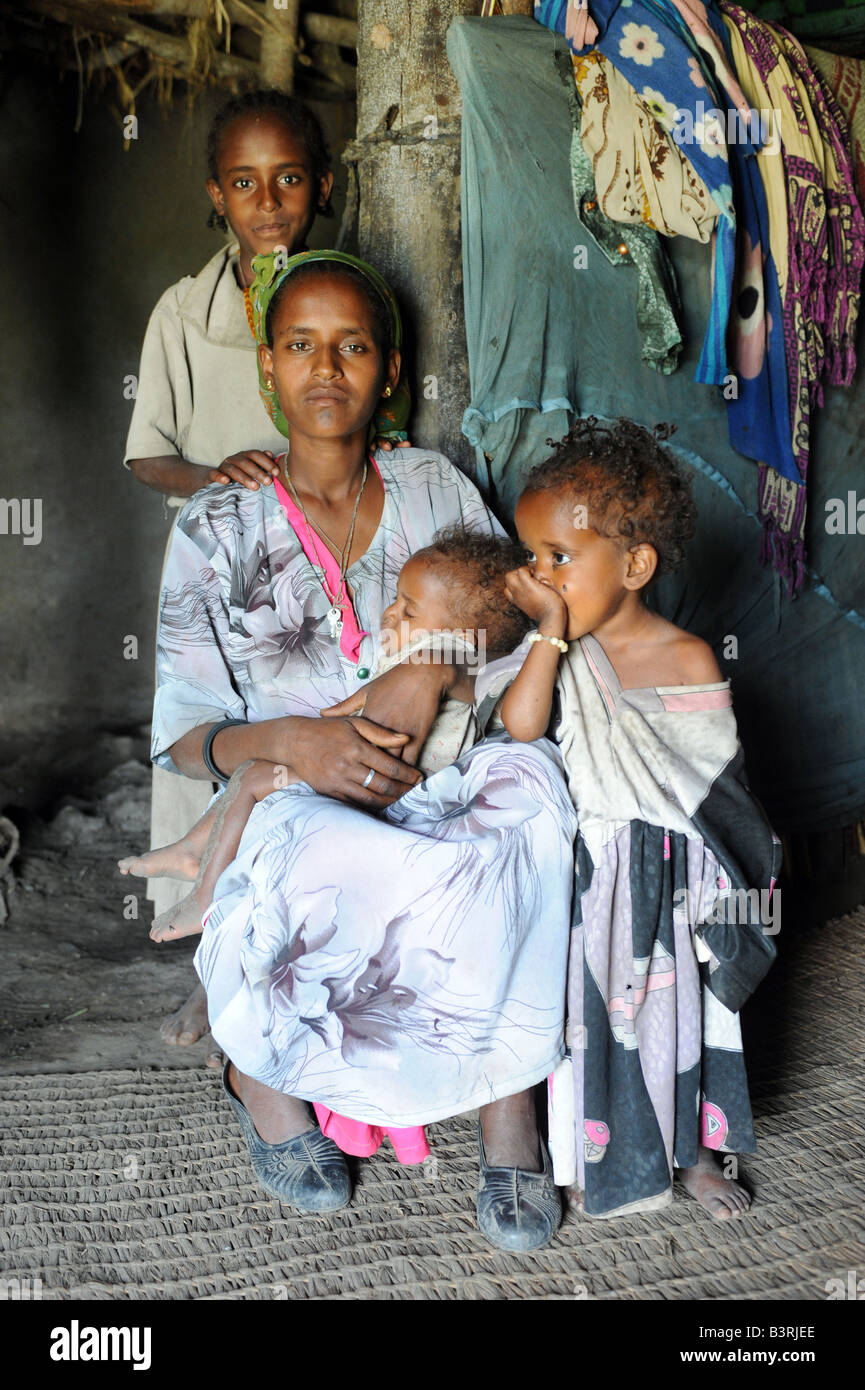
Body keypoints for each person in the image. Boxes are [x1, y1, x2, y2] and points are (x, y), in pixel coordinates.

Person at [151, 245, 577, 1247]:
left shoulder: (435, 486)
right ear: (268, 366)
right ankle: (260, 1070)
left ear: (388, 370)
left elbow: (509, 638)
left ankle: (506, 1095)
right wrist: (297, 743)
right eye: (300, 345)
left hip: (435, 772)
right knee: (306, 835)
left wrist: (432, 672)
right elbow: (182, 734)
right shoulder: (214, 523)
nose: (326, 368)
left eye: (352, 346)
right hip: (288, 787)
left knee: (532, 798)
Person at [124, 89, 409, 1060]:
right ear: (217, 196)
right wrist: (217, 475)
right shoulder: (183, 313)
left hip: (322, 566)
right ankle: (212, 970)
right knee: (208, 748)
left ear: (322, 186)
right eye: (244, 183)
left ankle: (308, 950)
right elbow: (143, 453)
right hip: (223, 566)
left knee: (320, 749)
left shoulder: (345, 296)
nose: (269, 200)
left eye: (289, 179)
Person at [479, 417, 780, 1220]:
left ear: (635, 564)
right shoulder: (557, 651)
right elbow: (517, 728)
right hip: (585, 873)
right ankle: (593, 1153)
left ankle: (697, 1155)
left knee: (679, 1016)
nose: (537, 576)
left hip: (672, 881)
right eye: (531, 556)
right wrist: (544, 635)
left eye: (559, 559)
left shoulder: (687, 659)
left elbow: (713, 785)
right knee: (588, 1022)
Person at [118, 528, 529, 942]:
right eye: (396, 600)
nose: (389, 614)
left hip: (398, 792)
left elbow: (382, 751)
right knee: (257, 772)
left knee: (254, 776)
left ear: (458, 633)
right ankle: (197, 851)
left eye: (409, 611)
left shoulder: (427, 657)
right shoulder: (458, 660)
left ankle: (205, 893)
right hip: (409, 784)